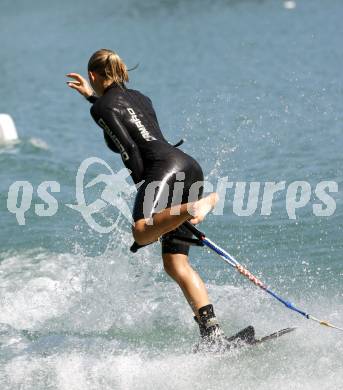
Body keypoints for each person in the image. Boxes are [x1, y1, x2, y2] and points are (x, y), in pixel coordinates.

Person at [66, 49, 227, 350]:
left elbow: (129, 149)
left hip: (162, 170)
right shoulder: (141, 98)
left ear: (92, 75)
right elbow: (132, 121)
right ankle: (213, 336)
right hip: (188, 166)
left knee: (141, 230)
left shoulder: (101, 108)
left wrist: (145, 186)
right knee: (175, 263)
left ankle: (196, 206)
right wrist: (92, 97)